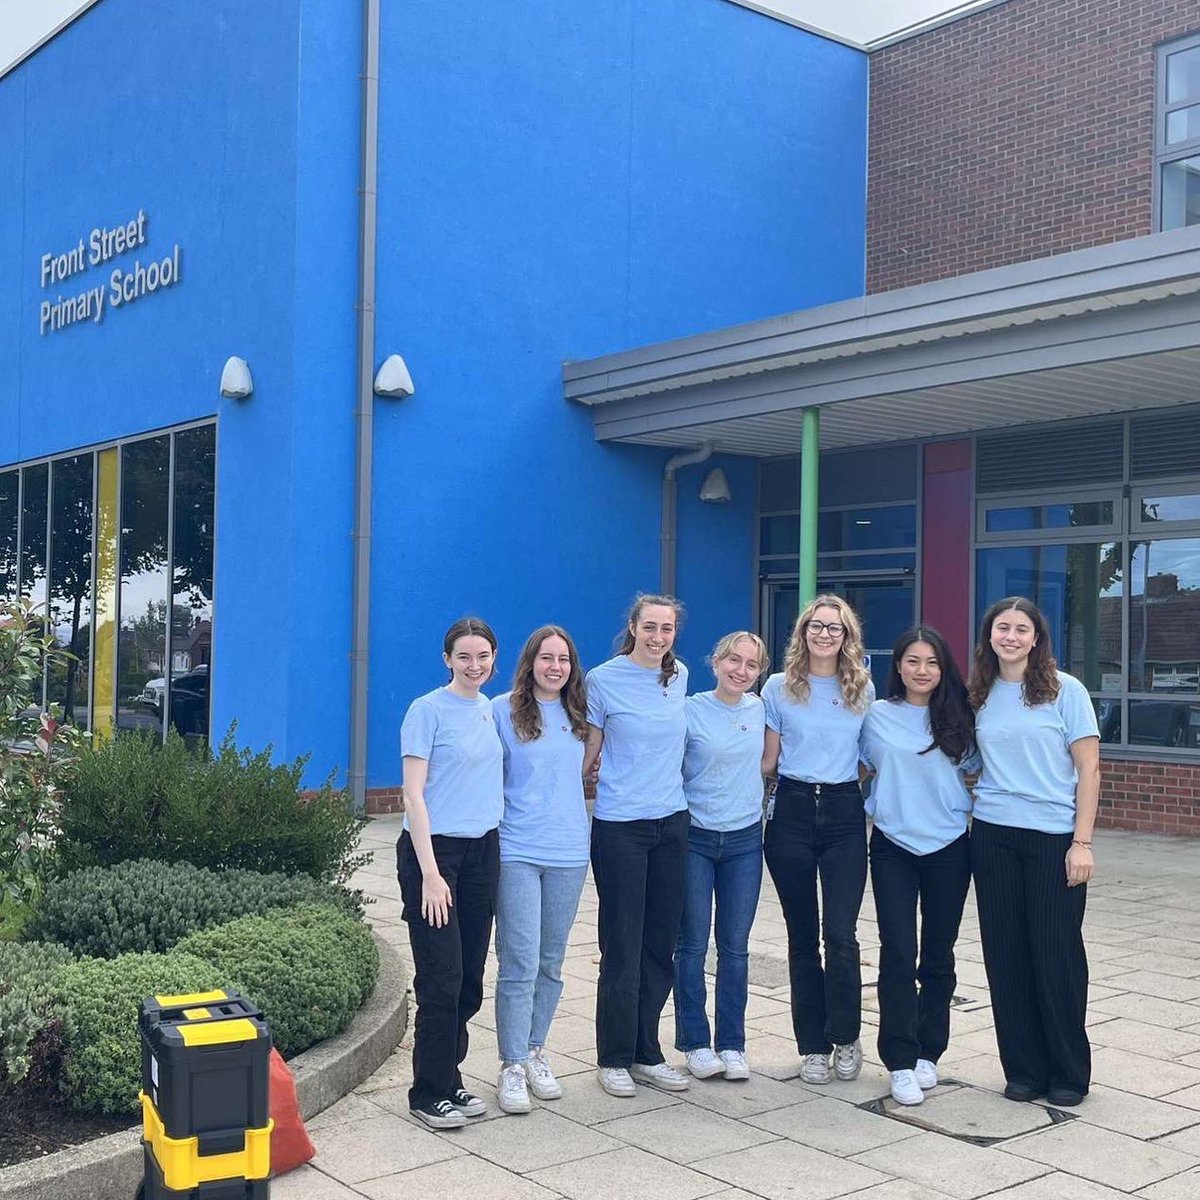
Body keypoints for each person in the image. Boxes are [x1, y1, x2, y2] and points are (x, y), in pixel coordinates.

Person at [968, 596, 1100, 1108]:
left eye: (1022, 629)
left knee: (1056, 955)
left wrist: (1081, 842)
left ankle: (1068, 1069)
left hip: (1052, 838)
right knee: (1006, 956)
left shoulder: (1066, 691)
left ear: (1036, 638)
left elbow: (1089, 770)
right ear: (990, 635)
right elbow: (970, 761)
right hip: (994, 835)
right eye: (1003, 627)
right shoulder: (979, 692)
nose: (1011, 636)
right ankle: (1022, 1068)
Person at [860, 626, 978, 1107]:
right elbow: (858, 766)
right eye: (912, 661)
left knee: (938, 954)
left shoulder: (960, 717)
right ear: (899, 666)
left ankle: (930, 1050)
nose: (922, 670)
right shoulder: (876, 717)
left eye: (931, 662)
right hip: (892, 846)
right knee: (897, 951)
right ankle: (900, 1061)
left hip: (950, 847)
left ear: (943, 667)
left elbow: (984, 767)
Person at [761, 594, 874, 1086]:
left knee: (841, 935)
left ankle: (846, 1036)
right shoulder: (777, 688)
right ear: (803, 632)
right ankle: (812, 1045)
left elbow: (871, 755)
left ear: (847, 636)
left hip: (845, 813)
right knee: (801, 937)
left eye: (835, 627)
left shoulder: (862, 688)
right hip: (791, 811)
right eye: (817, 626)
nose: (825, 634)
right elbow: (767, 760)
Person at [397, 617, 503, 1130]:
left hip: (483, 851)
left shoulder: (488, 710)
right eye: (464, 656)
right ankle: (427, 1091)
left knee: (470, 981)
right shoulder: (427, 711)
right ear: (447, 659)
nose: (474, 665)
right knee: (441, 979)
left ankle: (450, 1076)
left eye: (482, 656)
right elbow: (412, 794)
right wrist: (430, 874)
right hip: (434, 856)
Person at [584, 594, 690, 1097]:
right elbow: (589, 750)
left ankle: (648, 1050)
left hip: (672, 824)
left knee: (659, 945)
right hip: (620, 826)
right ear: (632, 627)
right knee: (622, 944)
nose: (658, 637)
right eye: (649, 627)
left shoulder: (681, 676)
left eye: (666, 629)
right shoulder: (603, 680)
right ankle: (614, 1055)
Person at [491, 625, 591, 1114]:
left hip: (570, 851)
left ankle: (535, 1050)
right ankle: (510, 1063)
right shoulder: (502, 711)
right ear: (530, 661)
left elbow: (581, 772)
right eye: (547, 658)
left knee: (551, 962)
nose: (556, 667)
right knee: (519, 961)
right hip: (517, 850)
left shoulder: (580, 715)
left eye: (565, 660)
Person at [674, 631, 769, 1082]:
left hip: (745, 841)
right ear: (715, 661)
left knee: (735, 947)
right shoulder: (691, 709)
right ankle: (694, 1040)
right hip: (695, 838)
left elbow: (772, 763)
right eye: (734, 660)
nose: (741, 670)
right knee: (691, 945)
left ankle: (732, 1043)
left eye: (751, 665)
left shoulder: (761, 709)